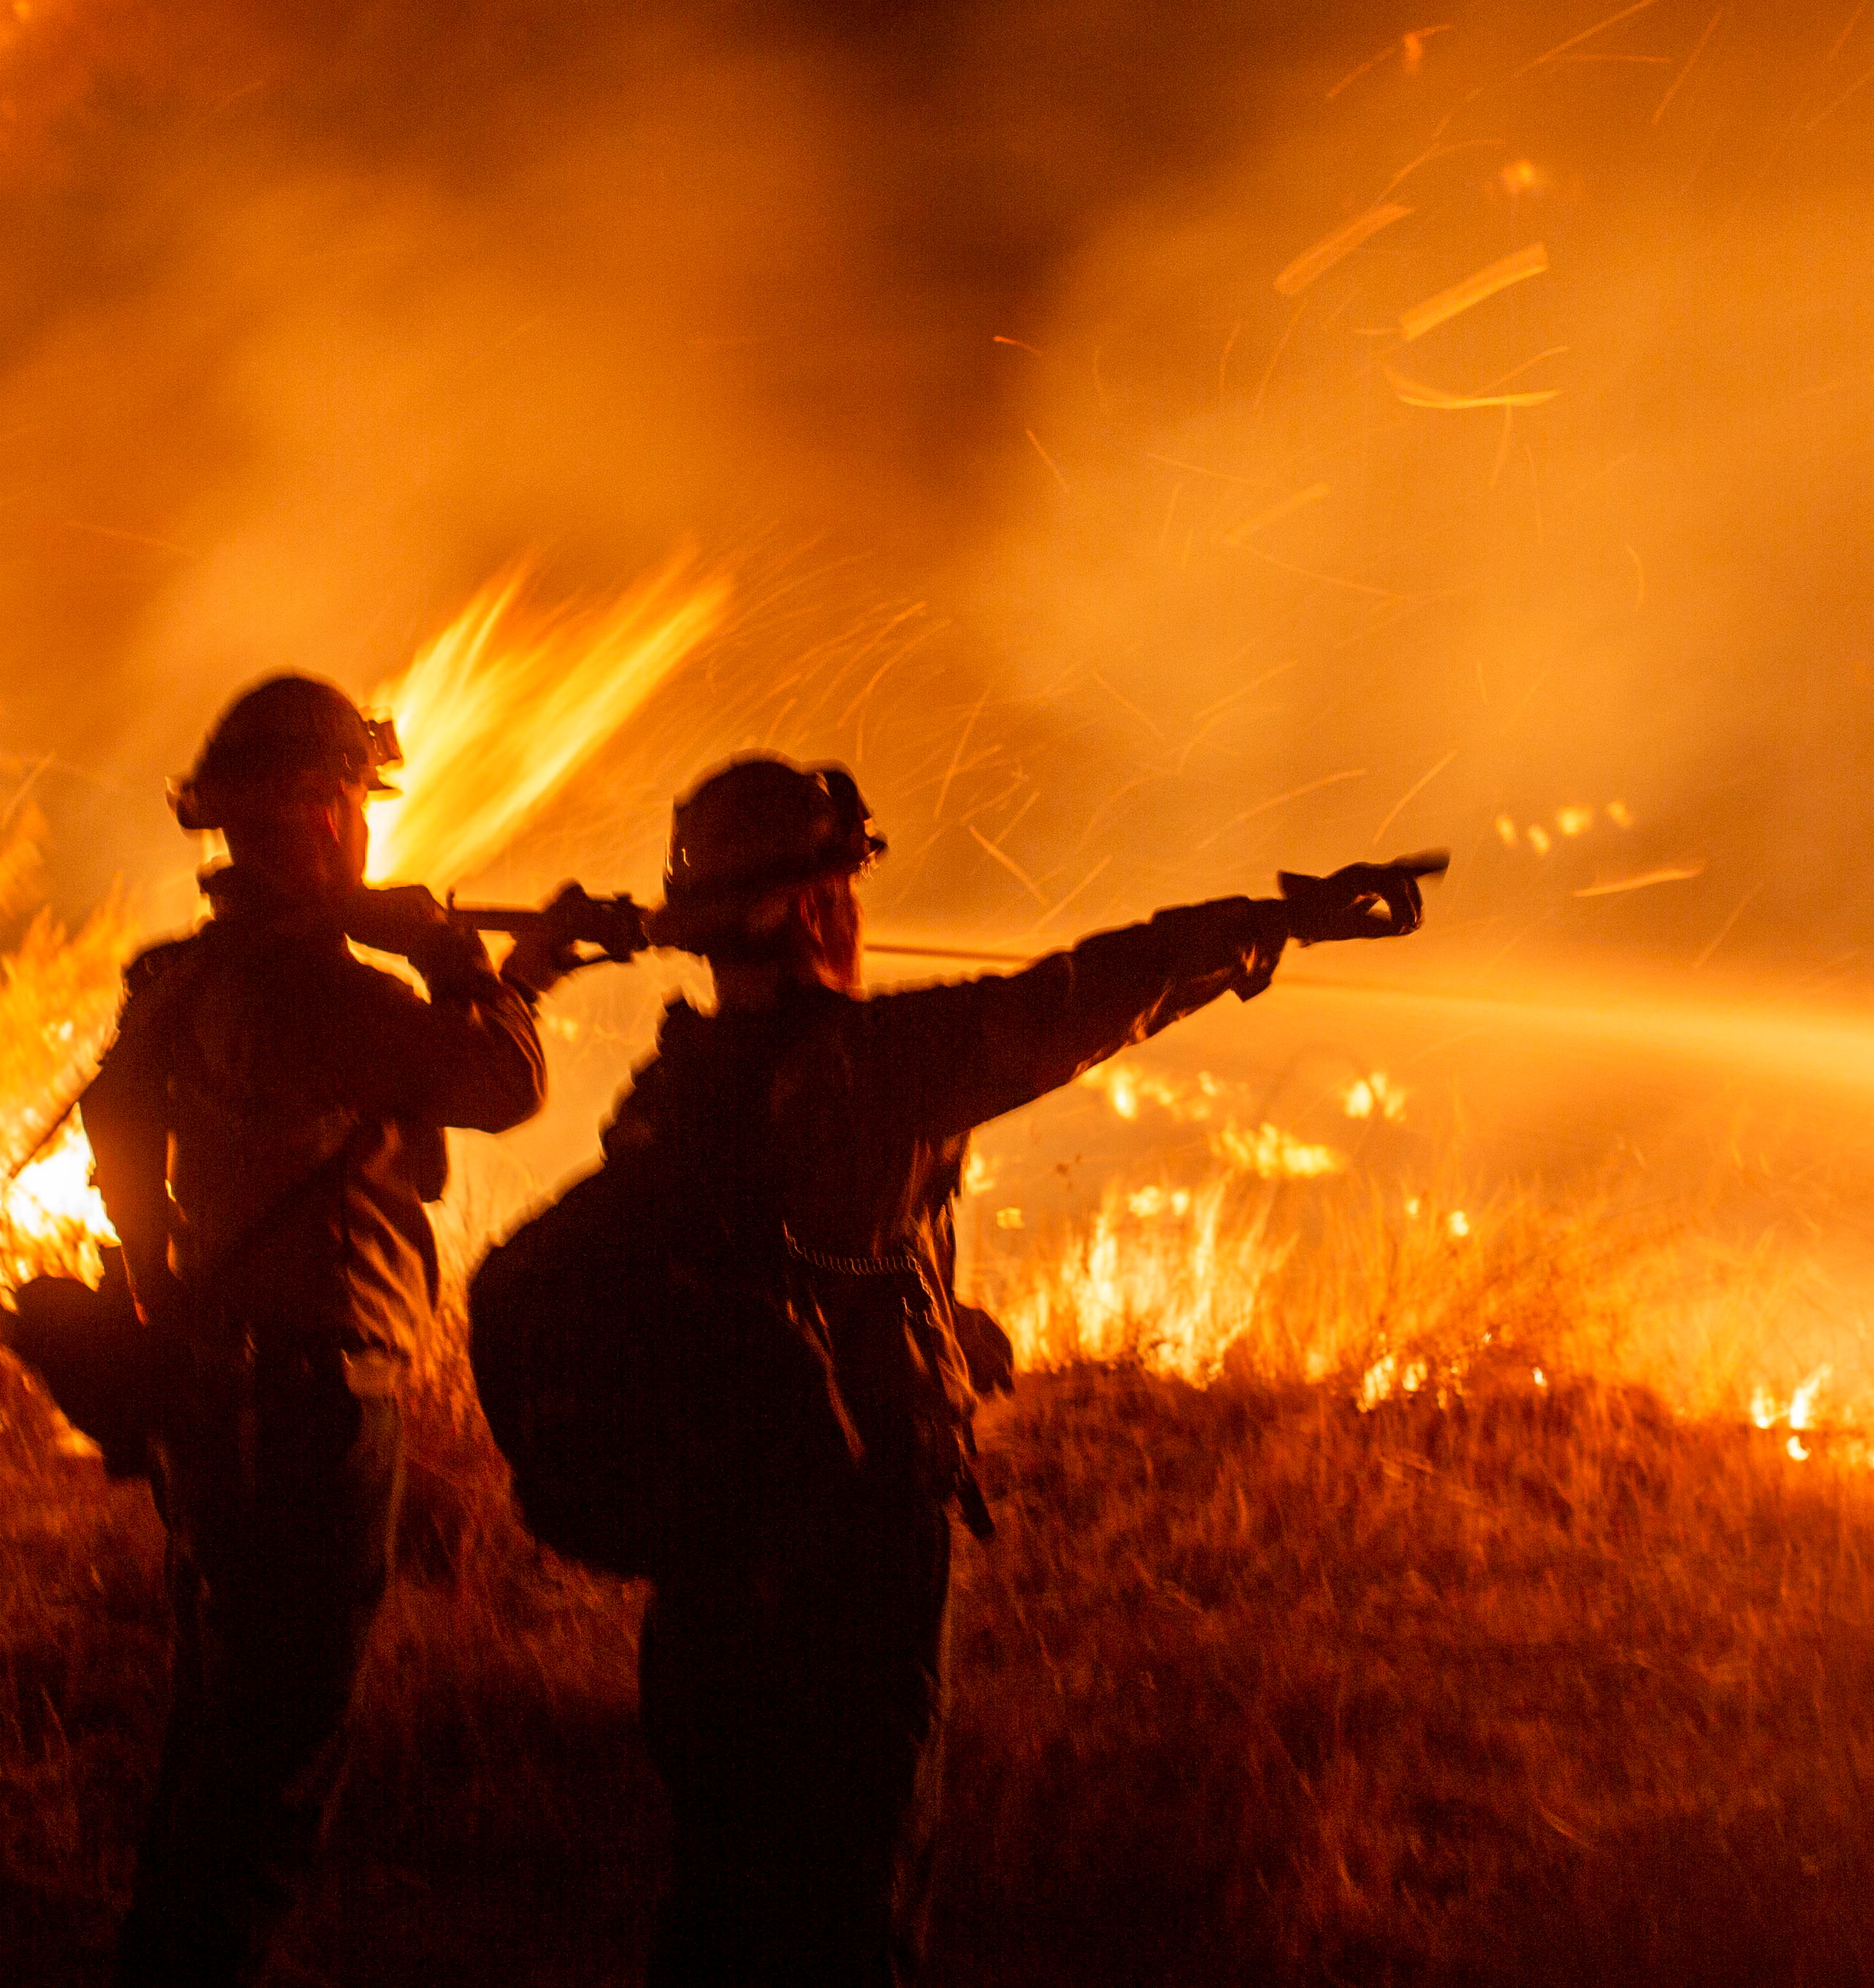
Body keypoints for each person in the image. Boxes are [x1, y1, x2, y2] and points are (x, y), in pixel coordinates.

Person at [594, 754, 1433, 1987]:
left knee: (724, 1886)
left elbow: (790, 1264)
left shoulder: (668, 1090)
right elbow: (1076, 1001)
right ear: (815, 905)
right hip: (851, 1538)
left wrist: (939, 1318)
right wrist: (1265, 926)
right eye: (841, 883)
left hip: (709, 1547)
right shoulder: (873, 1061)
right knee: (845, 1893)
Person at [82, 674, 558, 1988]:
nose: (361, 823)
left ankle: (168, 1961)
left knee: (219, 1717)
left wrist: (153, 1284)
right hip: (316, 1399)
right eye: (351, 798)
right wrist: (460, 960)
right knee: (284, 1731)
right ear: (331, 811)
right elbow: (502, 1084)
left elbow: (113, 1135)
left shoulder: (180, 978)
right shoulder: (322, 992)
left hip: (215, 1384)